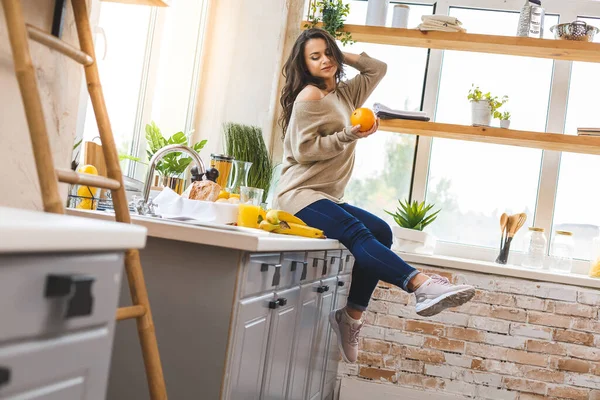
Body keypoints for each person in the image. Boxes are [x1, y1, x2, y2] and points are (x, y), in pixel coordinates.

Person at [273, 28, 475, 363]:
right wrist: (347, 134)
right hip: (299, 194)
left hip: (326, 195)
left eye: (327, 53)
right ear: (304, 65)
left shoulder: (343, 94)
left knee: (381, 231)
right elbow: (302, 151)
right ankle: (420, 285)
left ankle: (350, 317)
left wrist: (340, 52)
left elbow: (377, 68)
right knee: (357, 233)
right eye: (315, 56)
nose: (324, 60)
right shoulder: (309, 96)